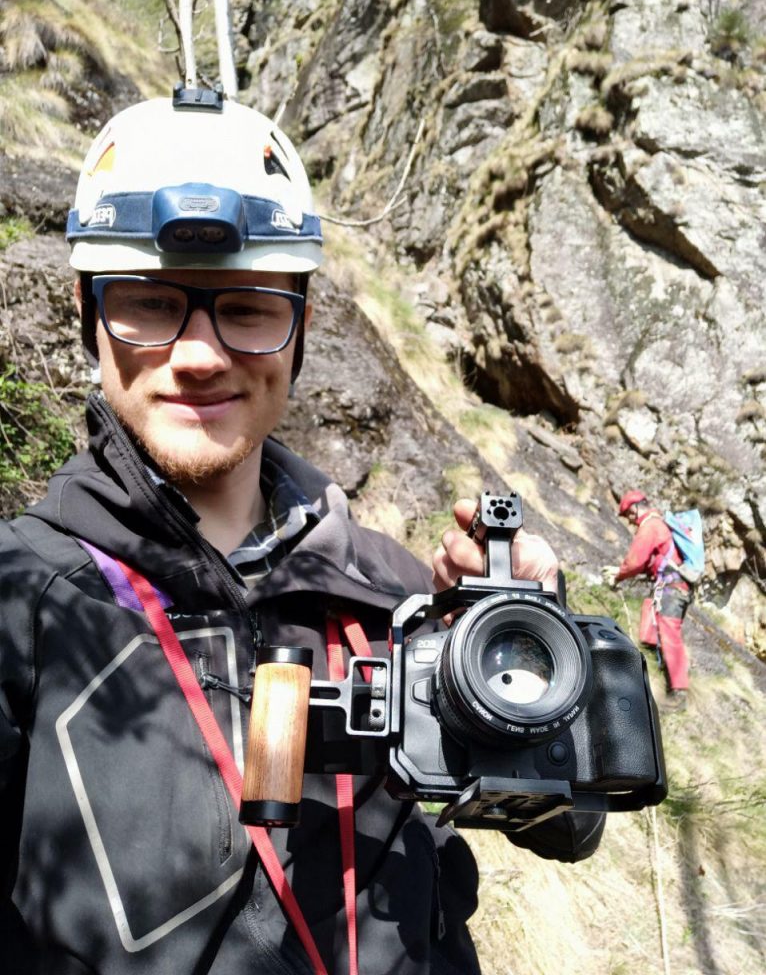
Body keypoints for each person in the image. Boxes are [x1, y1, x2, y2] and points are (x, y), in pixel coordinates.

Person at [0, 91, 604, 975]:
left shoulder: (394, 596)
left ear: (302, 330)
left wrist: (523, 654)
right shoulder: (23, 599)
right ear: (94, 319)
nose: (200, 354)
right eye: (149, 302)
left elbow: (568, 828)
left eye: (246, 308)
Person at [604, 489, 692, 707]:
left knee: (669, 633)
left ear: (636, 508)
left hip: (671, 588)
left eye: (629, 515)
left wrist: (618, 574)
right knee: (657, 631)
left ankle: (679, 693)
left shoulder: (650, 526)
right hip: (675, 586)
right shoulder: (659, 524)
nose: (631, 521)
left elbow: (635, 561)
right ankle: (666, 679)